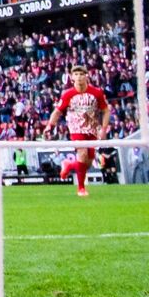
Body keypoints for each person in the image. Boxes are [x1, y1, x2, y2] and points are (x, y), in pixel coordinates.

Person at [45, 66, 111, 198]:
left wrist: (103, 129)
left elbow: (105, 110)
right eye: (76, 74)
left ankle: (69, 165)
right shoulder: (68, 94)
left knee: (89, 161)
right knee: (82, 154)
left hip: (92, 129)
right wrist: (50, 126)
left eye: (82, 74)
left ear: (87, 76)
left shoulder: (96, 92)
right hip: (76, 129)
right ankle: (81, 188)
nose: (79, 77)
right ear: (72, 77)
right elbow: (57, 111)